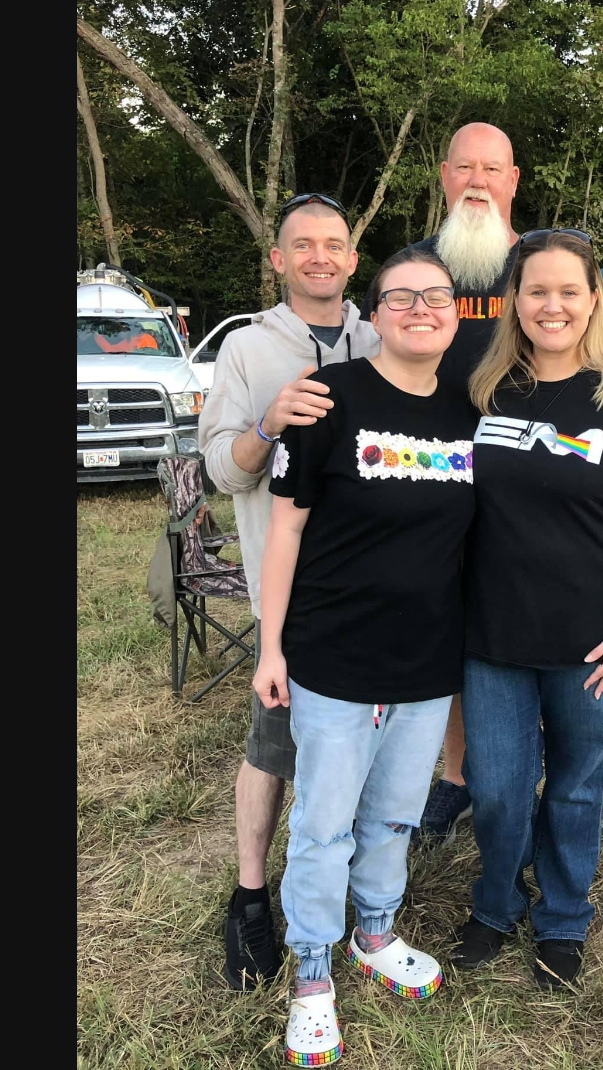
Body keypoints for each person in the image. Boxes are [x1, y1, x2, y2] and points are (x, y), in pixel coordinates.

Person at [256, 248, 477, 1067]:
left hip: (427, 658)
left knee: (394, 813)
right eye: (401, 297)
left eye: (437, 296)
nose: (421, 309)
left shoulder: (470, 409)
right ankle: (312, 972)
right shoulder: (329, 398)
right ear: (374, 314)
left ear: (456, 314)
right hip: (332, 654)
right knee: (323, 825)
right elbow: (286, 528)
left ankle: (374, 933)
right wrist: (270, 647)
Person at [447, 230, 603, 989]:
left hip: (592, 639)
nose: (553, 305)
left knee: (576, 785)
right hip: (493, 633)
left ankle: (564, 916)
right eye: (536, 290)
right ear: (513, 300)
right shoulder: (482, 391)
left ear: (593, 299)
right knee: (497, 789)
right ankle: (496, 902)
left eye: (568, 291)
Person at [197, 193, 381, 990]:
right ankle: (249, 896)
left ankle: (361, 898)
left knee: (364, 751)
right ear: (278, 259)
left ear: (352, 258)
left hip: (376, 593)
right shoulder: (246, 347)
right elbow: (221, 470)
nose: (319, 257)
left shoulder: (385, 334)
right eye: (302, 244)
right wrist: (269, 423)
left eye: (333, 244)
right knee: (273, 750)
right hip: (293, 598)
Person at [398, 122, 524, 846]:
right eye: (465, 167)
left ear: (513, 180)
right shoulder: (414, 269)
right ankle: (455, 779)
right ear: (444, 176)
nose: (478, 181)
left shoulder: (542, 263)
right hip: (436, 477)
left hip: (527, 480)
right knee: (448, 630)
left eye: (492, 168)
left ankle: (522, 775)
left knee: (522, 626)